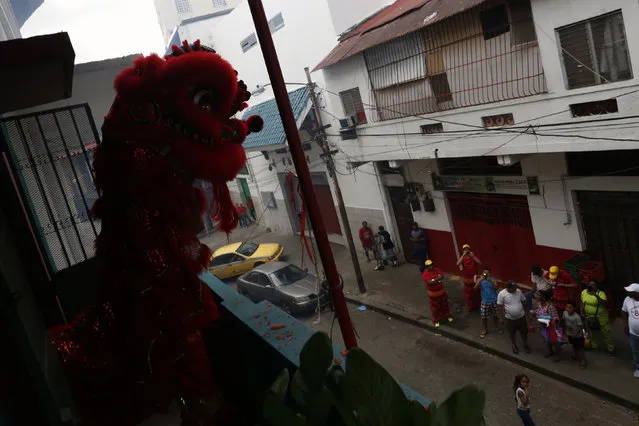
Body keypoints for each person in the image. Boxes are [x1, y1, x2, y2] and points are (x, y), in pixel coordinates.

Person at [581, 279, 615, 355]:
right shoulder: (584, 292)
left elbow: (604, 303)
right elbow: (582, 303)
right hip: (590, 317)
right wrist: (582, 312)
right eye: (590, 284)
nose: (591, 286)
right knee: (593, 332)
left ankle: (610, 348)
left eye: (594, 285)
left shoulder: (600, 293)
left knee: (606, 333)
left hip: (601, 317)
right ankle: (595, 346)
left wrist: (595, 295)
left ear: (597, 286)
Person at [498, 281, 531, 354]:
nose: (515, 289)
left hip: (521, 317)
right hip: (510, 319)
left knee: (524, 333)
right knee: (512, 333)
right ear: (508, 288)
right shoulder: (502, 294)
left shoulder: (518, 291)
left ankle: (526, 345)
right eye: (513, 288)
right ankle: (514, 345)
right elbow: (500, 306)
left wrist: (528, 312)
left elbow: (524, 301)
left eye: (515, 287)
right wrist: (500, 317)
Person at [421, 260, 453, 327]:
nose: (431, 266)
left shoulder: (437, 270)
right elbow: (430, 282)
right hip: (433, 295)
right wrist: (437, 279)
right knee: (435, 308)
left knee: (445, 305)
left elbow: (442, 276)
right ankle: (437, 320)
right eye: (429, 266)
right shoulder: (425, 274)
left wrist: (434, 280)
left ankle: (447, 315)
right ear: (427, 267)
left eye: (432, 265)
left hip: (442, 292)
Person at [533, 292, 563, 362]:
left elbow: (555, 317)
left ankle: (557, 355)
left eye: (538, 296)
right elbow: (537, 312)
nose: (536, 298)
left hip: (552, 327)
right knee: (547, 340)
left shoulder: (550, 306)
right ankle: (550, 351)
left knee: (555, 341)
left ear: (544, 297)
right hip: (543, 326)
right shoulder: (539, 304)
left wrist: (544, 318)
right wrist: (534, 314)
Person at [475, 267, 501, 338]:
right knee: (484, 317)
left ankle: (497, 327)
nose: (486, 274)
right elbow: (475, 288)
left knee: (495, 315)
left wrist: (491, 281)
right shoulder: (480, 280)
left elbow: (496, 288)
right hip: (484, 301)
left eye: (487, 273)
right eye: (484, 273)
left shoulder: (493, 279)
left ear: (490, 273)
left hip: (493, 301)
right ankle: (485, 329)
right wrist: (480, 280)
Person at [621, 283, 639, 378]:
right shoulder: (627, 300)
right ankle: (638, 368)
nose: (628, 292)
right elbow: (624, 312)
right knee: (635, 351)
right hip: (633, 333)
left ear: (637, 293)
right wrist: (625, 325)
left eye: (630, 291)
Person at [457, 244, 482, 311]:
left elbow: (479, 263)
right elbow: (458, 264)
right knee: (468, 294)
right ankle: (470, 306)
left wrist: (473, 256)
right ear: (463, 250)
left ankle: (479, 305)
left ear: (470, 250)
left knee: (477, 292)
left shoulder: (473, 257)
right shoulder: (463, 258)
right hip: (467, 279)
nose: (466, 250)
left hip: (475, 279)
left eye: (467, 249)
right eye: (465, 249)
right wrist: (463, 255)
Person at [563, 301, 587, 369]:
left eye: (570, 307)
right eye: (567, 307)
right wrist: (565, 331)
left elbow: (580, 327)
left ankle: (583, 361)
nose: (568, 309)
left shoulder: (577, 317)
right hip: (570, 334)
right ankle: (575, 356)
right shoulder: (565, 313)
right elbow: (564, 321)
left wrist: (575, 334)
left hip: (578, 335)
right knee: (574, 346)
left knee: (580, 349)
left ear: (574, 308)